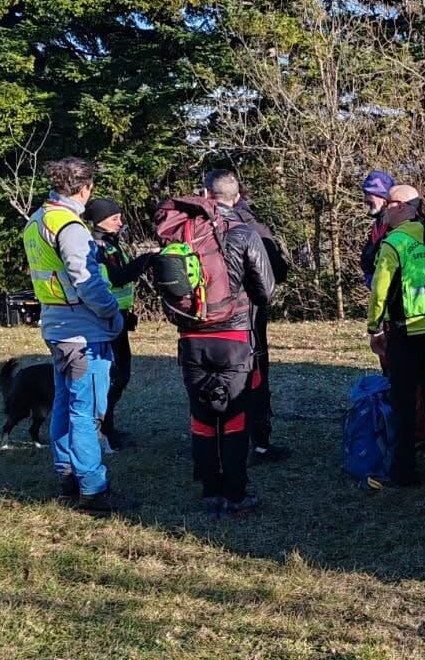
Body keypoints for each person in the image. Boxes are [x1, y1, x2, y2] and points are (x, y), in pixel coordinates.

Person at [155, 169, 275, 517]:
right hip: (235, 336)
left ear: (203, 193)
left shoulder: (180, 233)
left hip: (191, 338)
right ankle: (235, 495)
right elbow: (265, 291)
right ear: (235, 197)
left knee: (202, 415)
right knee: (234, 415)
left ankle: (210, 491)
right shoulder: (243, 233)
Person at [21, 157, 131, 514]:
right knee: (87, 412)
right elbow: (87, 280)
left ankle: (67, 477)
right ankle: (93, 489)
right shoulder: (70, 225)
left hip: (56, 326)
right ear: (86, 188)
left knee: (65, 405)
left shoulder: (37, 220)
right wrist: (112, 314)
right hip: (83, 333)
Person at [366, 184, 425, 487]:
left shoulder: (394, 243)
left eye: (389, 205)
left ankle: (403, 472)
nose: (385, 211)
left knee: (403, 403)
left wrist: (374, 328)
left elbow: (379, 291)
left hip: (404, 331)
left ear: (403, 206)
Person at [82, 196, 158, 448]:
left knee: (120, 375)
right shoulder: (96, 246)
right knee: (112, 376)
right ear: (100, 220)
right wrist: (147, 259)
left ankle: (108, 426)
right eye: (114, 218)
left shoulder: (113, 243)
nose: (120, 221)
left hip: (119, 318)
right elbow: (117, 277)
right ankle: (103, 431)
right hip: (104, 320)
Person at [229, 180, 290, 462]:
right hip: (248, 316)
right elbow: (278, 270)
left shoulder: (196, 227)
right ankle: (260, 442)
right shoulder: (252, 227)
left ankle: (216, 441)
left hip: (207, 321)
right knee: (254, 376)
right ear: (240, 195)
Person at [359, 168, 395, 286]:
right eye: (365, 194)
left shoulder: (396, 223)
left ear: (383, 198)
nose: (365, 199)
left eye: (369, 194)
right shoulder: (379, 222)